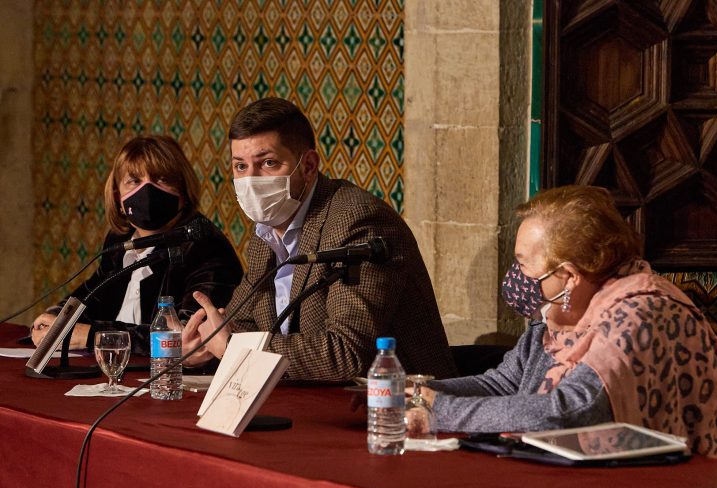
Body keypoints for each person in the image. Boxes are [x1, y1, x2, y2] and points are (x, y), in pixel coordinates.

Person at [412, 185, 717, 464]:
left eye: (523, 264)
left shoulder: (641, 315)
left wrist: (441, 410)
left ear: (570, 276)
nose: (517, 277)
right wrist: (413, 395)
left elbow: (570, 412)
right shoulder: (560, 313)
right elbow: (502, 384)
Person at [181, 97, 457, 381]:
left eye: (268, 163)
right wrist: (203, 338)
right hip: (306, 400)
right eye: (240, 167)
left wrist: (232, 348)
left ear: (309, 165)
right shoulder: (266, 232)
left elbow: (345, 353)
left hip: (393, 407)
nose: (251, 180)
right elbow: (244, 322)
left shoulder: (357, 222)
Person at [30, 135, 243, 355]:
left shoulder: (204, 245)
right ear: (118, 197)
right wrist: (54, 319)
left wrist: (94, 336)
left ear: (183, 192)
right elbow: (91, 295)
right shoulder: (120, 241)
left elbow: (187, 337)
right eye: (134, 181)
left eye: (162, 179)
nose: (147, 192)